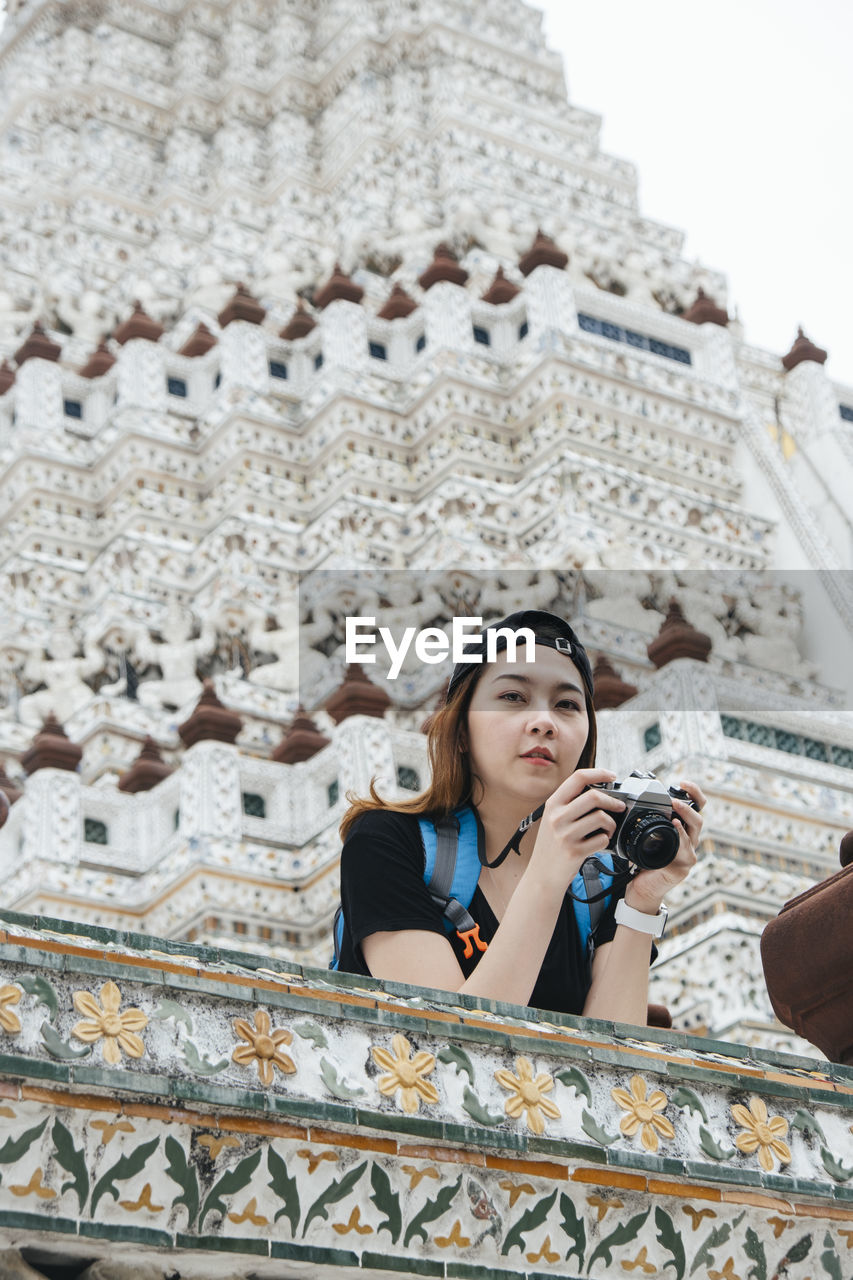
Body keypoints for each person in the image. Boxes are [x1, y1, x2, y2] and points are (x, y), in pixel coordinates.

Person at [336, 611, 704, 1023]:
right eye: (513, 697)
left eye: (567, 705)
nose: (545, 723)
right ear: (460, 732)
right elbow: (448, 1045)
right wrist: (547, 876)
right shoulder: (388, 844)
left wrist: (644, 899)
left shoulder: (600, 878)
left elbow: (619, 1059)